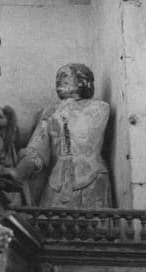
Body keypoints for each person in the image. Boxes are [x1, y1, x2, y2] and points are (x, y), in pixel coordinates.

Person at [14, 64, 112, 208]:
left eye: (64, 75)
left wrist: (63, 108)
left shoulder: (99, 107)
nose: (59, 80)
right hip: (57, 184)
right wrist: (19, 171)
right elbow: (38, 148)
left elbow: (84, 136)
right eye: (57, 77)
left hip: (91, 177)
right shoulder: (52, 111)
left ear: (83, 80)